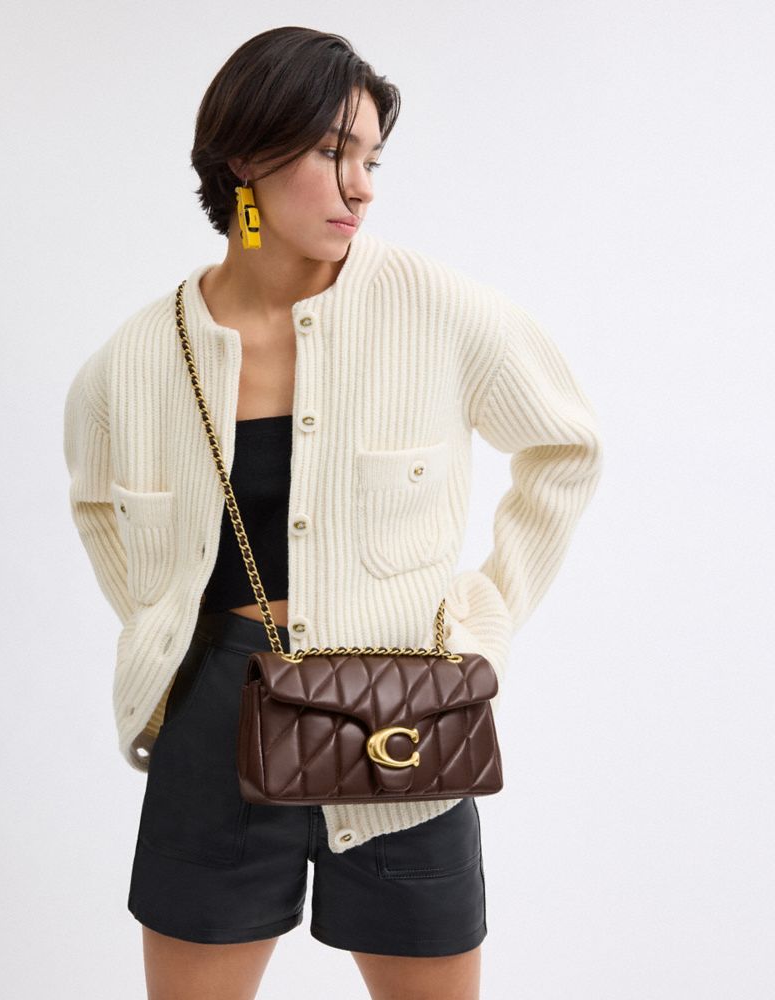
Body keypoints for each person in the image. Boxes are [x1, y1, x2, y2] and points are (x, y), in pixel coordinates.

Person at [63, 25, 603, 1000]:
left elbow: (565, 447)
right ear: (244, 159)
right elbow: (100, 506)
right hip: (214, 725)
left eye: (371, 159)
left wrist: (484, 615)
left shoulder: (440, 312)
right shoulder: (135, 360)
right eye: (330, 152)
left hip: (407, 717)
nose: (361, 187)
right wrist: (163, 621)